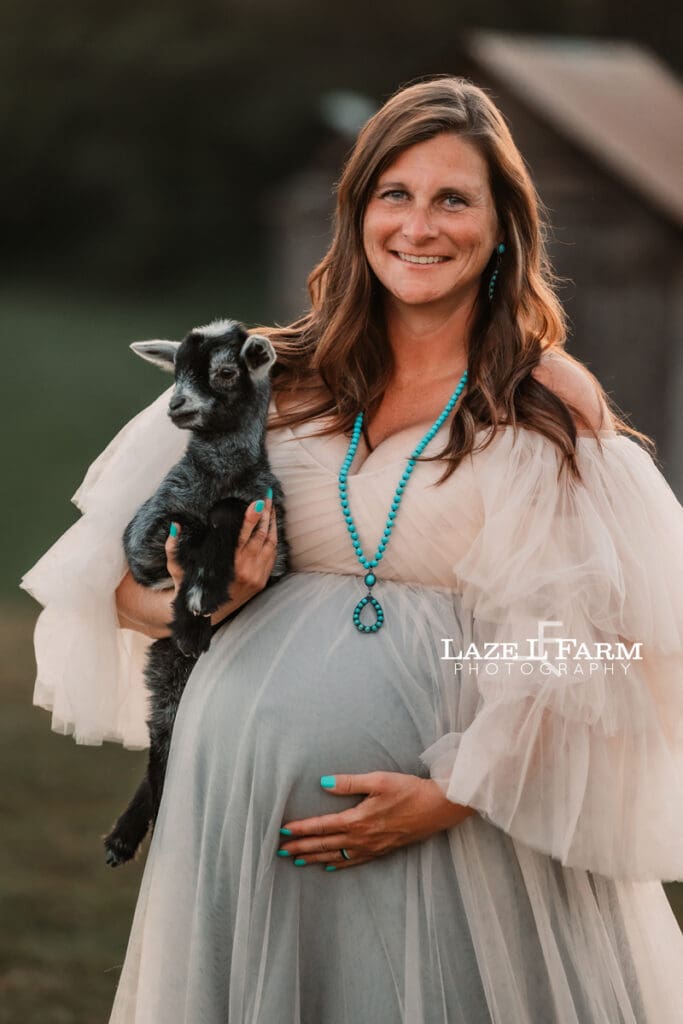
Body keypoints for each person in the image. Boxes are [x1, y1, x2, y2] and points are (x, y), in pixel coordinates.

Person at [21, 76, 683, 1023]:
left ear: (503, 229)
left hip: (467, 846)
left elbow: (604, 647)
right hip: (241, 826)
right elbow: (115, 590)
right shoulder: (263, 385)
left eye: (453, 199)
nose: (419, 226)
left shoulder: (541, 415)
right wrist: (210, 600)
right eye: (394, 195)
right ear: (357, 213)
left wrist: (452, 794)